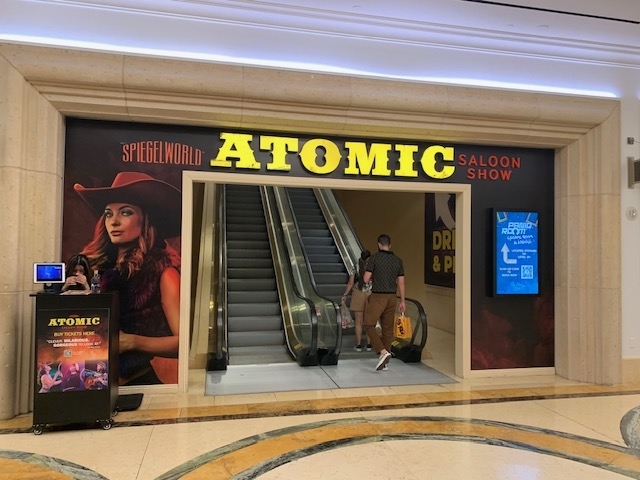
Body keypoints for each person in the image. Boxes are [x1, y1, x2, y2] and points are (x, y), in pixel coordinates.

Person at [74, 171, 182, 386]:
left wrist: (132, 342)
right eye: (108, 213)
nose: (113, 221)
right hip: (88, 387)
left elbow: (184, 343)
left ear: (145, 220)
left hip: (136, 386)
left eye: (125, 212)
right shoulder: (92, 268)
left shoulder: (163, 273)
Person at [362, 234, 405, 371]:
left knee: (368, 324)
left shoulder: (374, 258)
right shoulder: (398, 261)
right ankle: (385, 363)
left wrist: (374, 274)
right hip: (392, 297)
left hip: (378, 297)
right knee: (387, 330)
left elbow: (365, 279)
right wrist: (402, 300)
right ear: (389, 245)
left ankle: (382, 352)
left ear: (379, 244)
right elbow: (401, 283)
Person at [341, 250, 372, 352]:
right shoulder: (374, 266)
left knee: (358, 321)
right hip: (371, 294)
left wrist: (345, 294)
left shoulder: (355, 266)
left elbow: (350, 282)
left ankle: (358, 345)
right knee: (369, 321)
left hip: (358, 293)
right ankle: (369, 345)